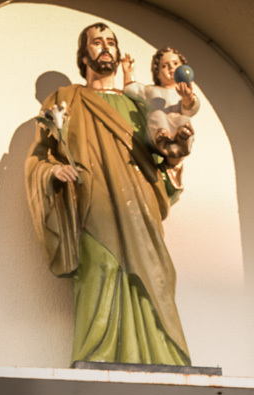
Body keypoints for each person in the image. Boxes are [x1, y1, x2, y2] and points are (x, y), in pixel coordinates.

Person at [25, 22, 191, 368]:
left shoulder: (138, 102)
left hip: (141, 204)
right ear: (83, 53)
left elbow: (161, 161)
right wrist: (53, 172)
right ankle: (97, 355)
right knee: (100, 268)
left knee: (156, 272)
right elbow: (40, 155)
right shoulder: (63, 100)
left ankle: (164, 355)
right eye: (97, 42)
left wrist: (176, 157)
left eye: (111, 42)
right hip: (92, 203)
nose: (105, 48)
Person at [121, 47, 199, 190]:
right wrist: (128, 72)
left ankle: (182, 137)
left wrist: (187, 97)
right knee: (157, 115)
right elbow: (131, 89)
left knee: (183, 120)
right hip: (159, 132)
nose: (171, 68)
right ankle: (162, 136)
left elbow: (190, 109)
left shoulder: (185, 93)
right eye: (164, 65)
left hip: (177, 130)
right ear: (157, 72)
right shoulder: (151, 91)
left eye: (175, 64)